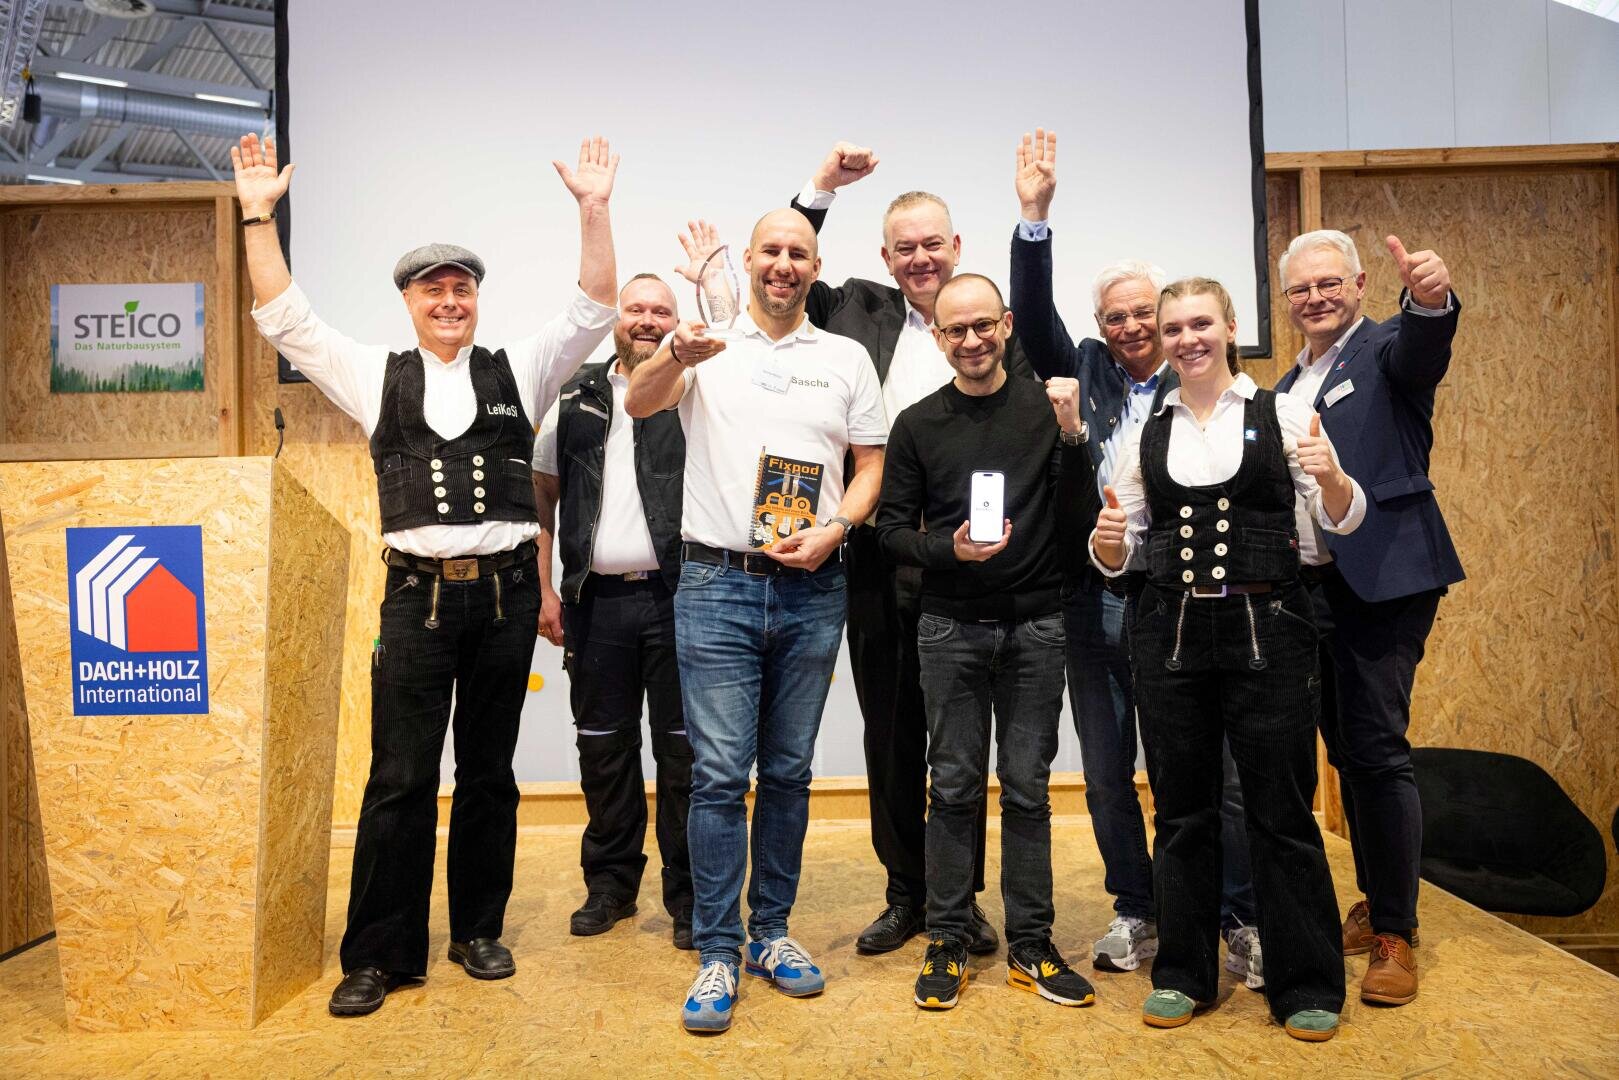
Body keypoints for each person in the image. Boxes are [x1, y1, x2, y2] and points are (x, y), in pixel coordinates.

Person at [234, 132, 619, 1017]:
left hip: (507, 595)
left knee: (488, 772)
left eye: (462, 287)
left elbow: (593, 306)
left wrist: (593, 209)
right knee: (400, 777)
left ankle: (478, 929)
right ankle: (379, 953)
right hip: (415, 599)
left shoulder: (519, 368)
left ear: (476, 299)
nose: (450, 299)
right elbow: (284, 315)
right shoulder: (374, 373)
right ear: (407, 301)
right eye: (432, 288)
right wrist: (258, 213)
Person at [625, 208, 887, 1034]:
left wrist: (837, 527)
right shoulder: (707, 344)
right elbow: (638, 403)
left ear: (816, 266)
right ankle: (716, 950)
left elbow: (869, 464)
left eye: (797, 254)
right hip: (715, 585)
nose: (783, 265)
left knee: (788, 774)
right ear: (748, 261)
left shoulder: (844, 356)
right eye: (770, 252)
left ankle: (771, 934)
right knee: (715, 778)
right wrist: (675, 349)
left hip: (814, 587)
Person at [1008, 128, 1260, 983]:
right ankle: (1137, 909)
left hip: (1184, 595)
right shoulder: (1083, 367)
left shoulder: (1204, 378)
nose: (1128, 327)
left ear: (1172, 320)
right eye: (1112, 316)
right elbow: (1034, 318)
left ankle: (1231, 911)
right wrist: (1033, 218)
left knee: (1203, 766)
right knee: (1111, 769)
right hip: (1093, 595)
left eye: (1141, 314)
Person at [783, 142, 1036, 955]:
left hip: (972, 565)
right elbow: (788, 270)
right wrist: (818, 187)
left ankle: (959, 897)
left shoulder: (989, 327)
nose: (921, 258)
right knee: (891, 733)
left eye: (934, 243)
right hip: (877, 559)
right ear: (884, 258)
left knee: (961, 744)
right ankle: (906, 895)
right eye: (905, 247)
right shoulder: (854, 309)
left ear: (956, 249)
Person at [1091, 276, 1359, 1042]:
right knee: (1180, 812)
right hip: (1169, 633)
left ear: (1230, 326)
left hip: (1269, 630)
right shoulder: (1150, 426)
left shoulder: (1281, 413)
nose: (1186, 338)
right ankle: (1182, 973)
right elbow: (1117, 540)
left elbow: (1338, 520)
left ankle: (1305, 980)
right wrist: (1106, 544)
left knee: (1280, 812)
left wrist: (1334, 477)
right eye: (1173, 328)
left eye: (1199, 323)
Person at [876, 273, 1097, 1011]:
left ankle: (1030, 944)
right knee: (954, 789)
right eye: (953, 330)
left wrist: (1072, 437)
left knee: (1029, 792)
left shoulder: (1048, 408)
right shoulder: (914, 423)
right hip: (948, 626)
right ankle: (946, 937)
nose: (969, 341)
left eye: (982, 326)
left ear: (1005, 325)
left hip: (1037, 625)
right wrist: (950, 552)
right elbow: (891, 532)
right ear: (937, 337)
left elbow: (1077, 516)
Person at [1274, 228, 1462, 1006]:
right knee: (1345, 753)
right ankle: (1374, 900)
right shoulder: (1291, 381)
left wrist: (1427, 303)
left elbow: (1422, 352)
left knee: (1377, 749)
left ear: (1356, 284)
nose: (1314, 297)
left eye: (1328, 283)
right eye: (1298, 290)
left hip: (1384, 577)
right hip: (1312, 586)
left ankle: (1396, 933)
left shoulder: (1384, 346)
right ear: (1285, 303)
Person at [532, 273, 692, 949]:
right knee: (603, 750)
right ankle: (610, 886)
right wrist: (545, 590)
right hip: (596, 603)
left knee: (687, 757)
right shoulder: (574, 395)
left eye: (662, 311)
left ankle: (691, 897)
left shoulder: (693, 392)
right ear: (616, 319)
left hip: (681, 600)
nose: (649, 320)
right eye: (637, 309)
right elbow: (542, 496)